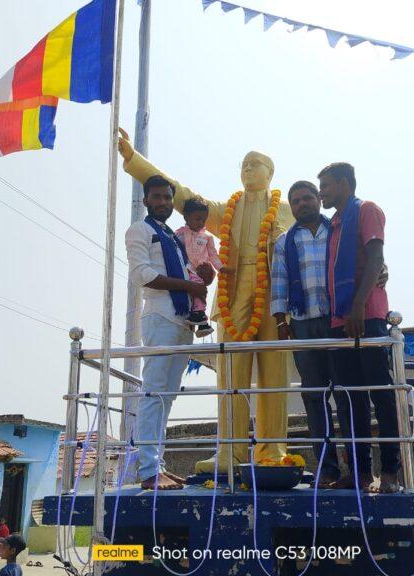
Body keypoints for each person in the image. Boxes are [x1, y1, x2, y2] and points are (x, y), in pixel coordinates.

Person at [119, 128, 294, 473]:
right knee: (230, 373)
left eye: (255, 164)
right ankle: (231, 451)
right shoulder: (224, 209)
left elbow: (319, 237)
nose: (247, 169)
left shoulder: (287, 210)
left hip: (273, 298)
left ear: (270, 173)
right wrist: (133, 160)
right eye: (243, 164)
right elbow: (180, 195)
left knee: (274, 374)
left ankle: (273, 450)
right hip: (231, 295)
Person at [318, 162, 400, 493]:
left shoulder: (366, 210)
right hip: (340, 321)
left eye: (325, 185)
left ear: (343, 184)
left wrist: (357, 308)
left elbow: (376, 259)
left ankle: (391, 472)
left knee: (381, 393)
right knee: (350, 400)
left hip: (367, 317)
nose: (321, 191)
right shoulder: (334, 224)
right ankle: (361, 473)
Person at [125, 175, 207, 490]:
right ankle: (147, 472)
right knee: (153, 393)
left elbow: (190, 275)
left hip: (183, 319)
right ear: (146, 200)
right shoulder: (140, 230)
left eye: (167, 198)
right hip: (159, 316)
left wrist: (202, 277)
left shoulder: (174, 236)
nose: (162, 203)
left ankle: (157, 465)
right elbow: (141, 274)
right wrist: (187, 285)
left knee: (167, 397)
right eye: (157, 197)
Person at [271, 181, 340, 487]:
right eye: (296, 201)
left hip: (337, 320)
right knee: (314, 395)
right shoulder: (285, 241)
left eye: (307, 198)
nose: (302, 204)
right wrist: (280, 322)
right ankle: (327, 468)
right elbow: (279, 282)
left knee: (347, 393)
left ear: (318, 200)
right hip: (302, 322)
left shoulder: (338, 230)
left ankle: (358, 470)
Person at [175, 197, 225, 337]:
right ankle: (200, 320)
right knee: (195, 290)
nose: (201, 223)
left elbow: (213, 255)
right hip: (184, 269)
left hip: (200, 271)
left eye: (204, 220)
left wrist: (221, 268)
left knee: (199, 287)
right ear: (186, 217)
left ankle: (199, 317)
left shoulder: (207, 237)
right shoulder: (179, 234)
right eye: (197, 219)